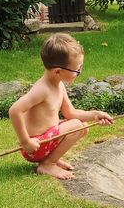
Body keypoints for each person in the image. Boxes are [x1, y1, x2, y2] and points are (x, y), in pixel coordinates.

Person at [9, 34, 113, 179]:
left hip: (46, 142)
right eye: (77, 70)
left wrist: (95, 115)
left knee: (82, 125)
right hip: (36, 146)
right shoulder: (42, 89)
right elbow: (15, 110)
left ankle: (52, 159)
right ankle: (47, 165)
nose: (79, 73)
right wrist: (26, 142)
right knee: (77, 125)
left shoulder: (58, 85)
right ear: (58, 71)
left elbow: (71, 113)